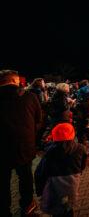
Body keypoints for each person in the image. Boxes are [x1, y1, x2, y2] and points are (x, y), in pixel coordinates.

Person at [0, 70, 42, 216]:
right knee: (25, 177)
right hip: (24, 146)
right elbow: (38, 120)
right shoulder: (30, 96)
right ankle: (27, 204)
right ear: (15, 80)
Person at [35, 123, 87, 217]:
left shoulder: (50, 152)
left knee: (57, 210)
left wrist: (40, 191)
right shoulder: (80, 149)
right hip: (73, 183)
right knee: (68, 207)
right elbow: (82, 165)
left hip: (55, 185)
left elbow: (40, 172)